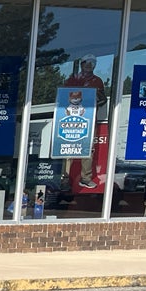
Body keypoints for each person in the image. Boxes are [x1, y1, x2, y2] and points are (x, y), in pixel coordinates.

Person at [64, 54, 108, 190]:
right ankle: (65, 177)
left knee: (88, 149)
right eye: (86, 63)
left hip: (88, 118)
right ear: (81, 64)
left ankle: (86, 178)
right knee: (68, 148)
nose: (89, 65)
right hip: (71, 118)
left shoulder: (98, 81)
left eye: (92, 63)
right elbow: (63, 97)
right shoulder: (73, 79)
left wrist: (95, 98)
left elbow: (102, 99)